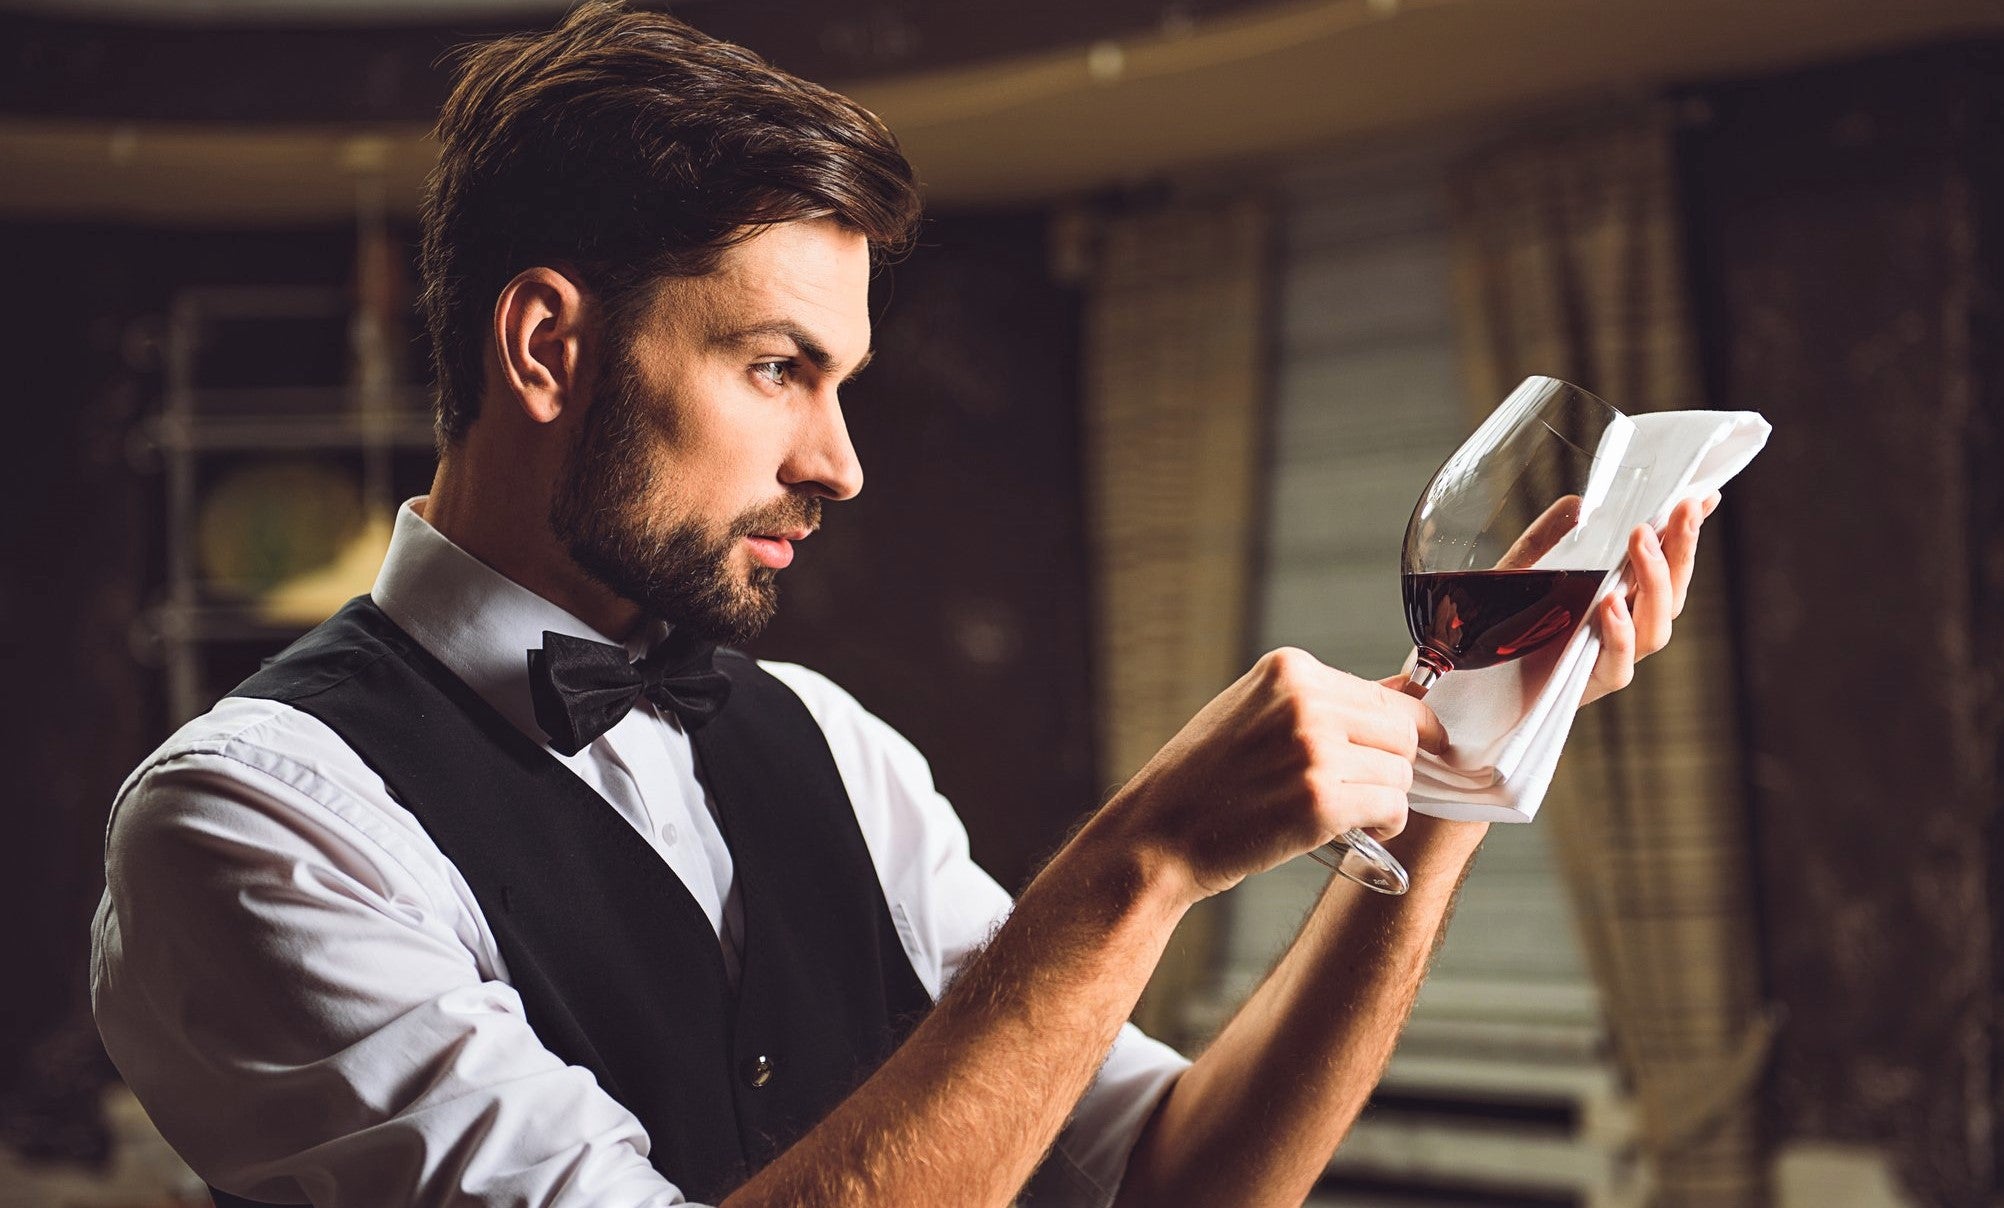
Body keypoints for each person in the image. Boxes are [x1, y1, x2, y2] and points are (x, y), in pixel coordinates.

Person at [89, 5, 1715, 1206]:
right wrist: (1136, 862)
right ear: (545, 348)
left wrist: (1455, 770)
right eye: (777, 367)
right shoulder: (251, 827)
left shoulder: (832, 746)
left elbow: (1179, 1180)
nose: (841, 464)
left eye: (842, 382)